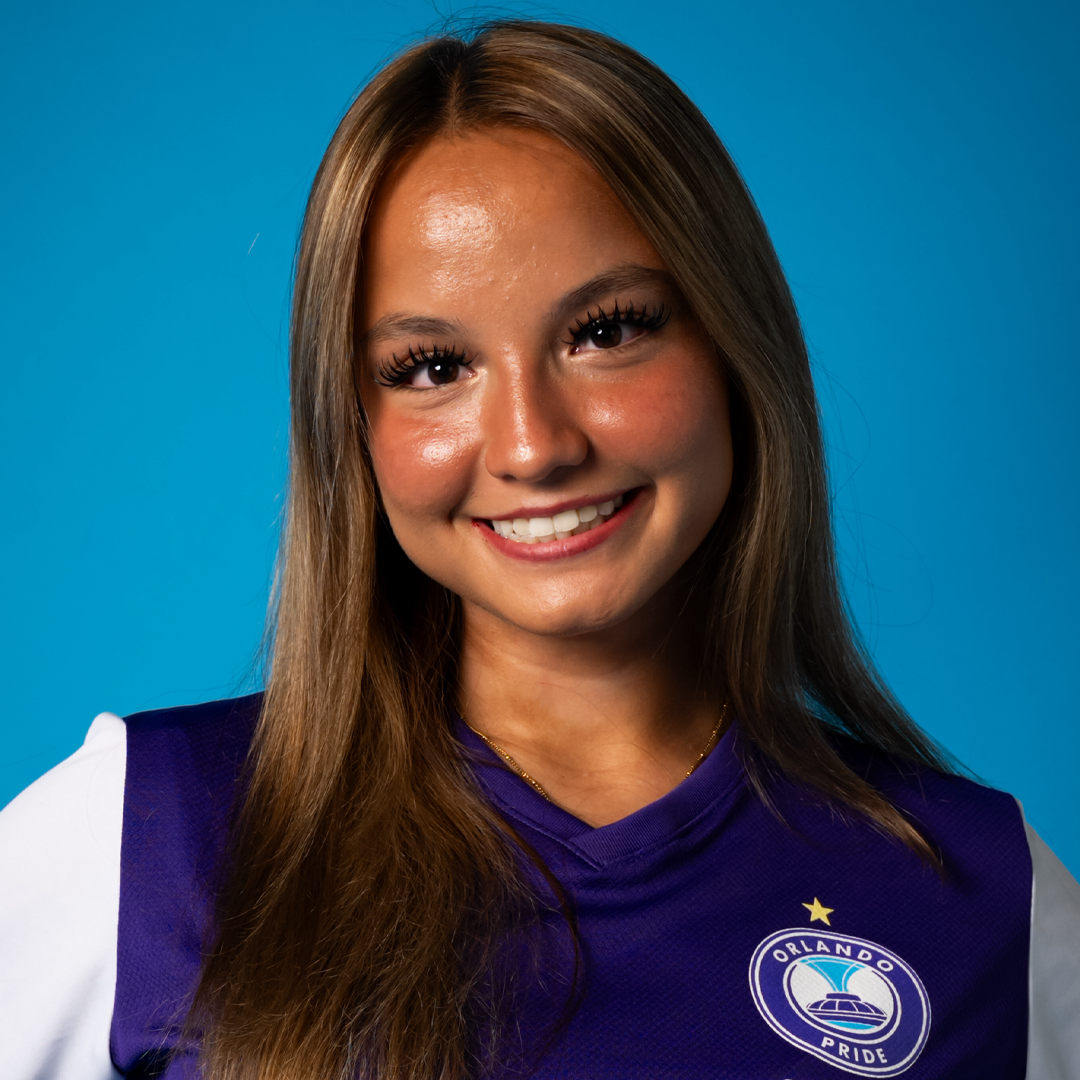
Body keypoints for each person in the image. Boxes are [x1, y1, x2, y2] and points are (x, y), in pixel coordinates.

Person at [1, 19, 1077, 1080]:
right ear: (353, 424)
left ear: (735, 346)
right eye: (432, 368)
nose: (534, 445)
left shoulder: (990, 894)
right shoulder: (141, 839)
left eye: (606, 331)